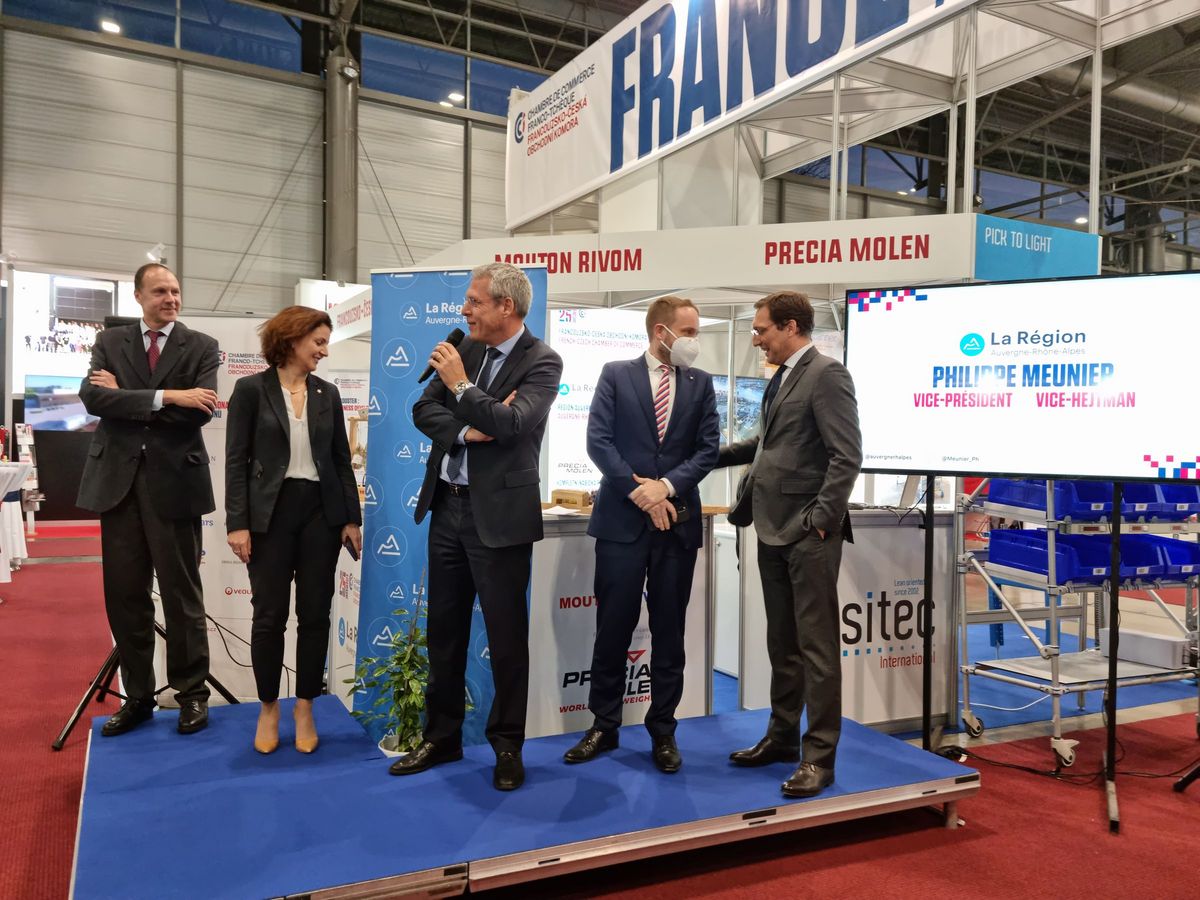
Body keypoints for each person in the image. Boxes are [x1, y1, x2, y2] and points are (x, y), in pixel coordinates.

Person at [390, 262, 563, 791]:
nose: (464, 311)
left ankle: (507, 746)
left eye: (473, 301)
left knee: (506, 639)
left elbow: (513, 423)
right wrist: (469, 430)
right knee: (445, 632)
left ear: (505, 306)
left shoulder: (542, 361)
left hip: (501, 519)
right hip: (447, 508)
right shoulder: (465, 348)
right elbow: (422, 409)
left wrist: (462, 388)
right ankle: (441, 737)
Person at [716, 290, 862, 798]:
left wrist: (819, 521)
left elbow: (847, 456)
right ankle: (782, 739)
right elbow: (765, 446)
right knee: (782, 643)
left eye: (761, 330)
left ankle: (819, 757)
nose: (757, 339)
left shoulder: (827, 375)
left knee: (816, 649)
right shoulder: (781, 378)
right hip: (770, 527)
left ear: (791, 326)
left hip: (807, 534)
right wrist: (703, 456)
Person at [564, 296, 719, 773]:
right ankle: (604, 725)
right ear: (660, 332)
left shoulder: (700, 383)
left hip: (677, 526)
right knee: (613, 628)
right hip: (621, 524)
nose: (694, 341)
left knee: (670, 632)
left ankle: (663, 730)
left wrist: (666, 488)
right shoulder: (616, 374)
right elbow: (598, 441)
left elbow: (707, 449)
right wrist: (641, 494)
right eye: (689, 332)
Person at [77, 263, 220, 737]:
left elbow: (199, 412)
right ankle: (138, 696)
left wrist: (132, 398)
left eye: (175, 291)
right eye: (160, 291)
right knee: (125, 596)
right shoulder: (110, 341)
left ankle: (192, 694)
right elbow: (94, 400)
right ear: (138, 296)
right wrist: (169, 397)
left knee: (182, 596)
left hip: (175, 485)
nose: (171, 299)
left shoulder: (201, 345)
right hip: (117, 485)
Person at [224, 306, 363, 754]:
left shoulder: (328, 393)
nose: (324, 351)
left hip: (321, 514)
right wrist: (238, 523)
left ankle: (305, 706)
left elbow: (340, 460)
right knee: (268, 617)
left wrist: (351, 518)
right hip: (269, 516)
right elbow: (235, 461)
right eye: (318, 342)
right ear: (291, 339)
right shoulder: (250, 390)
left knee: (315, 614)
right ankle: (268, 707)